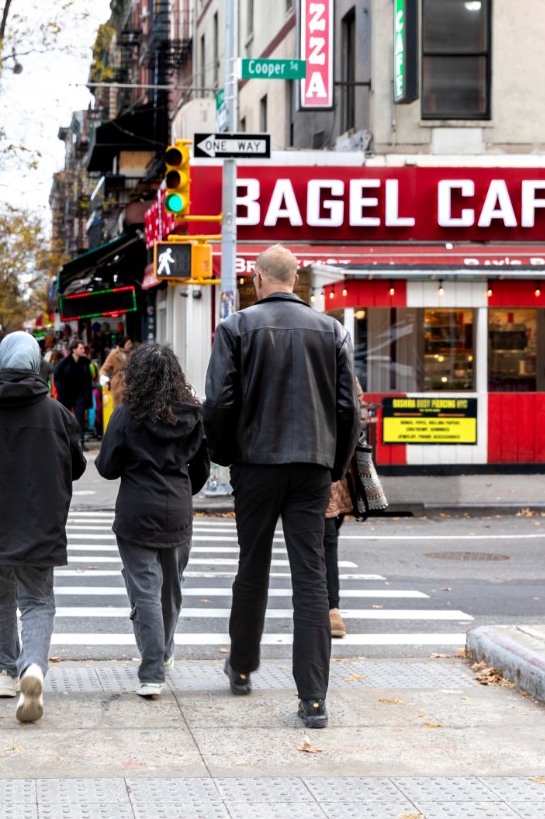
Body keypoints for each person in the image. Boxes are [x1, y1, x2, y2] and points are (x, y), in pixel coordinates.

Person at [203, 244, 359, 729]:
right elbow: (348, 408)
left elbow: (218, 402)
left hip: (255, 461)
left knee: (252, 565)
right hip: (312, 464)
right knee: (310, 576)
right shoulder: (332, 330)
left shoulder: (235, 328)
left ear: (256, 279)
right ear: (297, 280)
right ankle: (313, 698)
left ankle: (243, 666)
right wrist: (334, 463)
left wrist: (226, 455)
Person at [0, 331, 86, 723]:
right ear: (37, 364)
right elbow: (76, 467)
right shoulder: (56, 414)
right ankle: (33, 666)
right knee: (38, 601)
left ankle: (6, 672)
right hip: (40, 526)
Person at [95, 344, 209, 698]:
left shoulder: (127, 415)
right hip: (177, 509)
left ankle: (152, 669)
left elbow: (107, 467)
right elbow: (202, 470)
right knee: (171, 589)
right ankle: (164, 652)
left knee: (145, 590)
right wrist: (181, 487)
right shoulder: (193, 415)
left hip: (135, 511)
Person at [324, 379, 366, 640]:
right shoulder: (333, 341)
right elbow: (354, 406)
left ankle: (329, 609)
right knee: (327, 536)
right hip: (330, 458)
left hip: (271, 458)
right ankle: (330, 609)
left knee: (326, 536)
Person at [52, 339, 94, 448]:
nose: (83, 350)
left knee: (80, 418)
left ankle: (81, 442)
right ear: (73, 349)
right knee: (65, 418)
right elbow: (56, 377)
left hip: (79, 395)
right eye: (81, 348)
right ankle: (65, 442)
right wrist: (61, 390)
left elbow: (88, 380)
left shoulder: (85, 362)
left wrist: (87, 396)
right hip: (66, 395)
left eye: (83, 348)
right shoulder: (64, 363)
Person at [99, 336, 133, 406]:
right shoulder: (114, 354)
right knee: (119, 410)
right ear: (123, 343)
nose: (130, 346)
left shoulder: (131, 354)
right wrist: (102, 376)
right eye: (128, 343)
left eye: (131, 343)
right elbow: (103, 369)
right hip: (118, 386)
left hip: (129, 385)